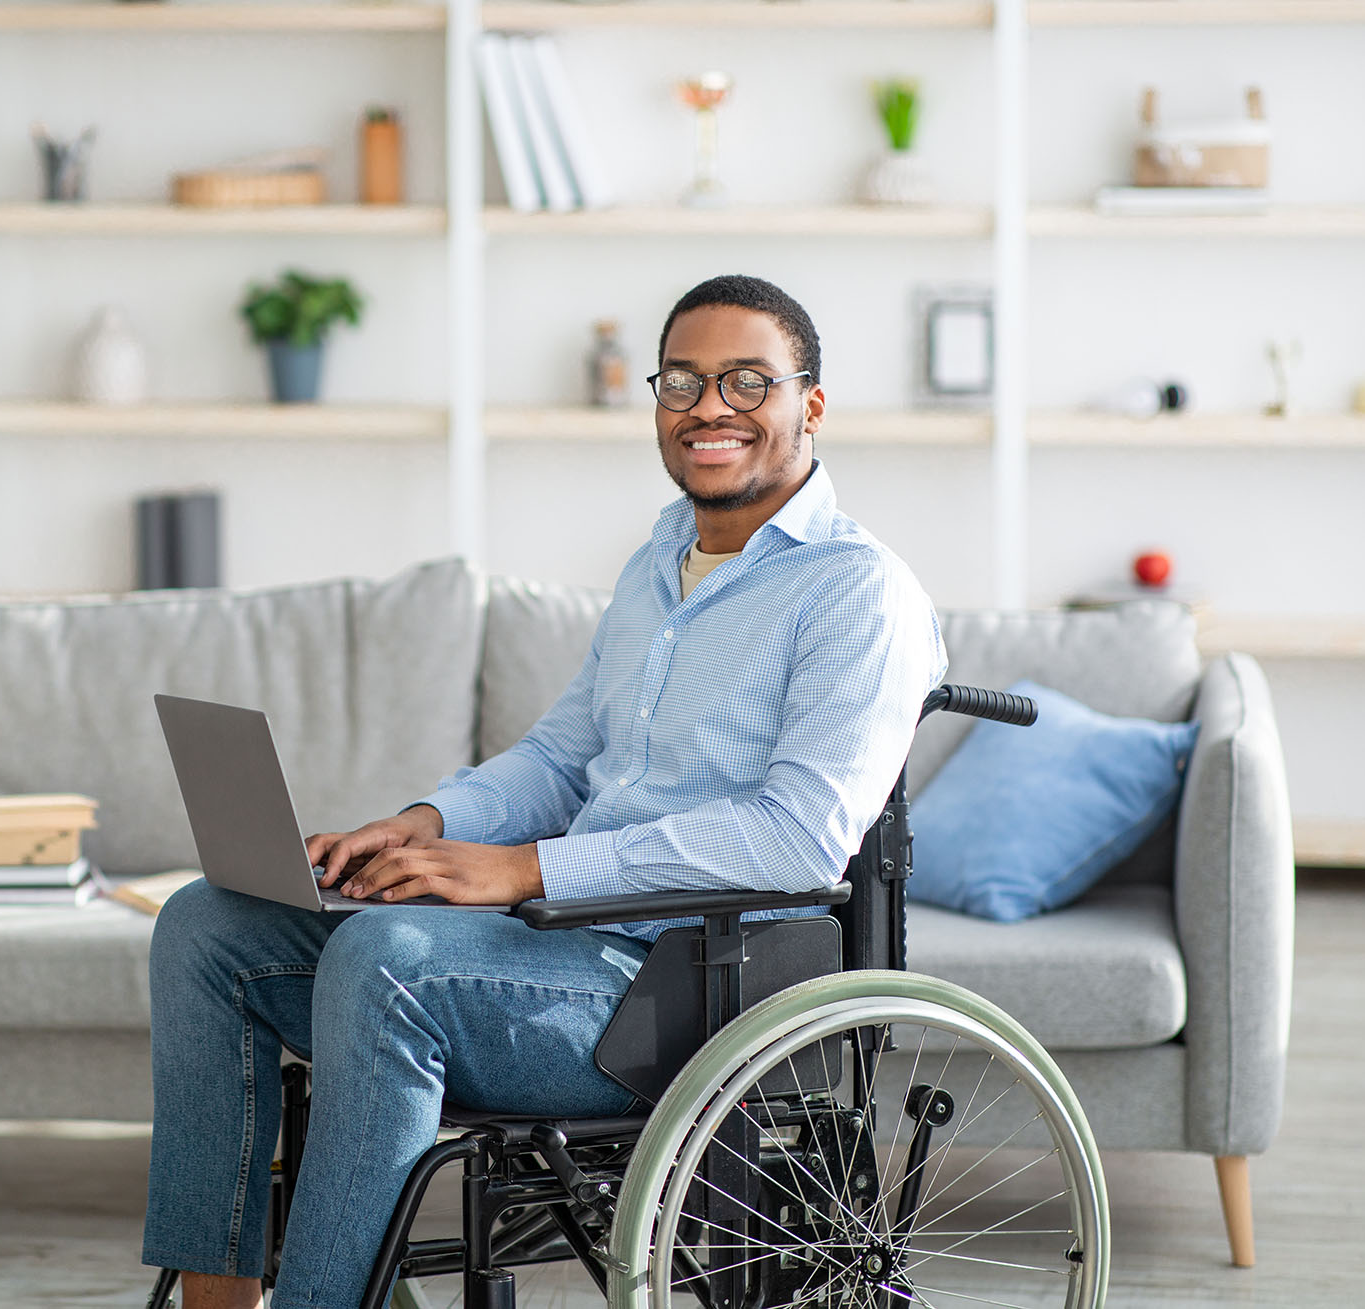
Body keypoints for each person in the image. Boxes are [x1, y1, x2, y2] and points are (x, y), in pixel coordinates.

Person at [140, 274, 948, 1308]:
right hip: (555, 939)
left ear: (811, 405)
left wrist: (522, 866)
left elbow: (797, 840)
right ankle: (221, 1296)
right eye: (685, 381)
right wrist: (428, 823)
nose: (710, 407)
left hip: (685, 988)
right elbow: (562, 759)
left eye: (748, 381)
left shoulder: (859, 592)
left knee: (388, 960)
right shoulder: (661, 561)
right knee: (211, 924)